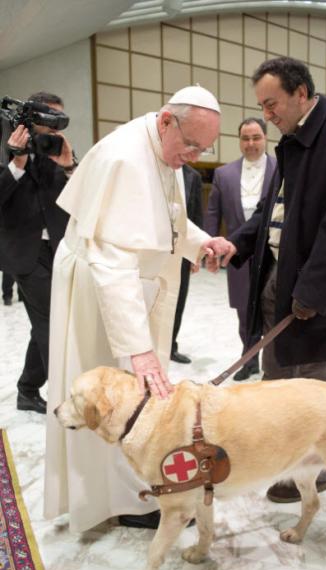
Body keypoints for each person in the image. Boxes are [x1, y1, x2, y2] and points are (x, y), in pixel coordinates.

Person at [44, 85, 233, 532]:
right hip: (100, 293)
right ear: (167, 120)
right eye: (189, 144)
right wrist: (137, 349)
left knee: (131, 394)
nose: (193, 155)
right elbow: (112, 264)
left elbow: (166, 216)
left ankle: (129, 488)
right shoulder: (126, 158)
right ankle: (110, 499)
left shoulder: (160, 150)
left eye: (203, 149)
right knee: (108, 395)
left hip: (127, 290)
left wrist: (201, 243)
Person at [221, 57, 326, 502]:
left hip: (315, 284)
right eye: (262, 106)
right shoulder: (291, 139)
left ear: (300, 92)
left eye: (272, 104)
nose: (267, 114)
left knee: (312, 380)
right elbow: (273, 212)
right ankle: (287, 464)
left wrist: (313, 289)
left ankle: (319, 469)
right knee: (277, 379)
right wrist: (238, 243)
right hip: (280, 274)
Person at [0, 92, 75, 413]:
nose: (52, 128)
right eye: (47, 120)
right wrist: (16, 164)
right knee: (53, 325)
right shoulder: (7, 147)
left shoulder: (60, 149)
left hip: (60, 249)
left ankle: (27, 389)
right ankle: (65, 396)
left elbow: (84, 193)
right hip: (24, 254)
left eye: (57, 121)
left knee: (45, 323)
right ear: (31, 119)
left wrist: (71, 166)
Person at [204, 118, 277, 380]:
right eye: (245, 138)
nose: (251, 143)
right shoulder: (224, 174)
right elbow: (213, 214)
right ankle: (249, 360)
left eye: (256, 137)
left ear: (266, 138)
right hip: (237, 254)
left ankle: (273, 359)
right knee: (244, 312)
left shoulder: (280, 168)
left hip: (272, 253)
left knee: (271, 306)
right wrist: (208, 247)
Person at [170, 163, 204, 364]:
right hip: (151, 249)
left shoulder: (193, 176)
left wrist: (196, 253)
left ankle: (170, 346)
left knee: (178, 300)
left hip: (182, 249)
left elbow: (196, 215)